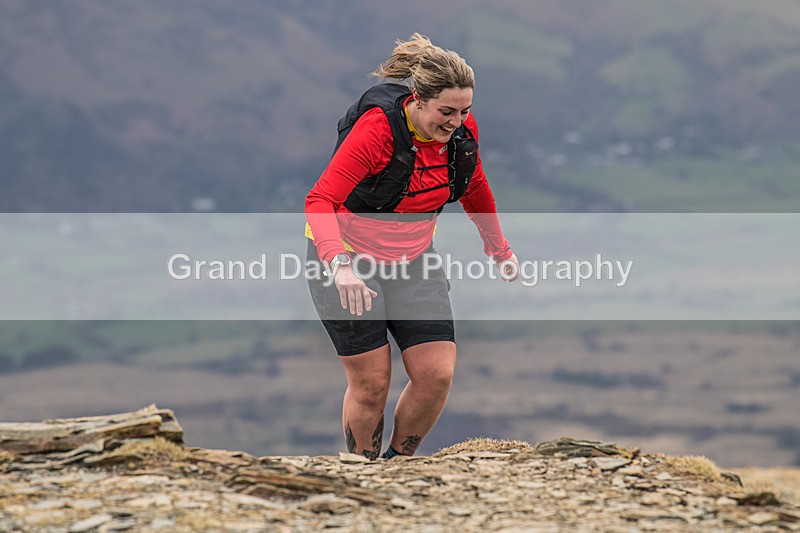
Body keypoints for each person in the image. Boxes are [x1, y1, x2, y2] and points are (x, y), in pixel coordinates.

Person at [305, 33, 519, 460]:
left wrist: (499, 249)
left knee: (436, 374)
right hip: (346, 261)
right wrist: (340, 266)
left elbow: (474, 185)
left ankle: (399, 467)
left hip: (414, 260)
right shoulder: (376, 132)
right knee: (371, 383)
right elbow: (319, 200)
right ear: (418, 99)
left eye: (464, 111)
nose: (456, 121)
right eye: (446, 111)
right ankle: (362, 473)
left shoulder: (459, 131)